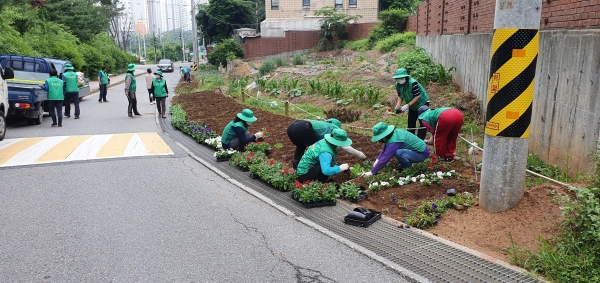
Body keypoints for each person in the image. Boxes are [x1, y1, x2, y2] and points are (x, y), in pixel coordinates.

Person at [287, 118, 366, 169]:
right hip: (303, 128)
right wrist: (358, 153)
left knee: (300, 146)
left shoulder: (324, 124)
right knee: (318, 149)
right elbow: (345, 146)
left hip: (291, 127)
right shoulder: (334, 128)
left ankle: (296, 167)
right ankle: (319, 168)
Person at [360, 122, 430, 177]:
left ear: (384, 136)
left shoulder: (395, 141)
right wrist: (378, 160)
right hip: (414, 151)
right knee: (398, 152)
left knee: (398, 153)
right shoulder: (393, 134)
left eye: (380, 138)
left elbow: (386, 157)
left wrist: (372, 172)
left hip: (421, 153)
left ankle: (410, 168)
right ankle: (404, 165)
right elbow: (384, 149)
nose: (379, 140)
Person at [392, 68, 430, 140]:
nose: (400, 80)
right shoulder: (398, 85)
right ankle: (410, 139)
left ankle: (420, 140)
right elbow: (400, 96)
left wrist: (407, 105)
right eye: (398, 78)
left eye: (401, 78)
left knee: (422, 122)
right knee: (411, 121)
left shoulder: (413, 83)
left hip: (422, 103)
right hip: (412, 105)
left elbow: (417, 96)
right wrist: (398, 105)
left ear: (405, 77)